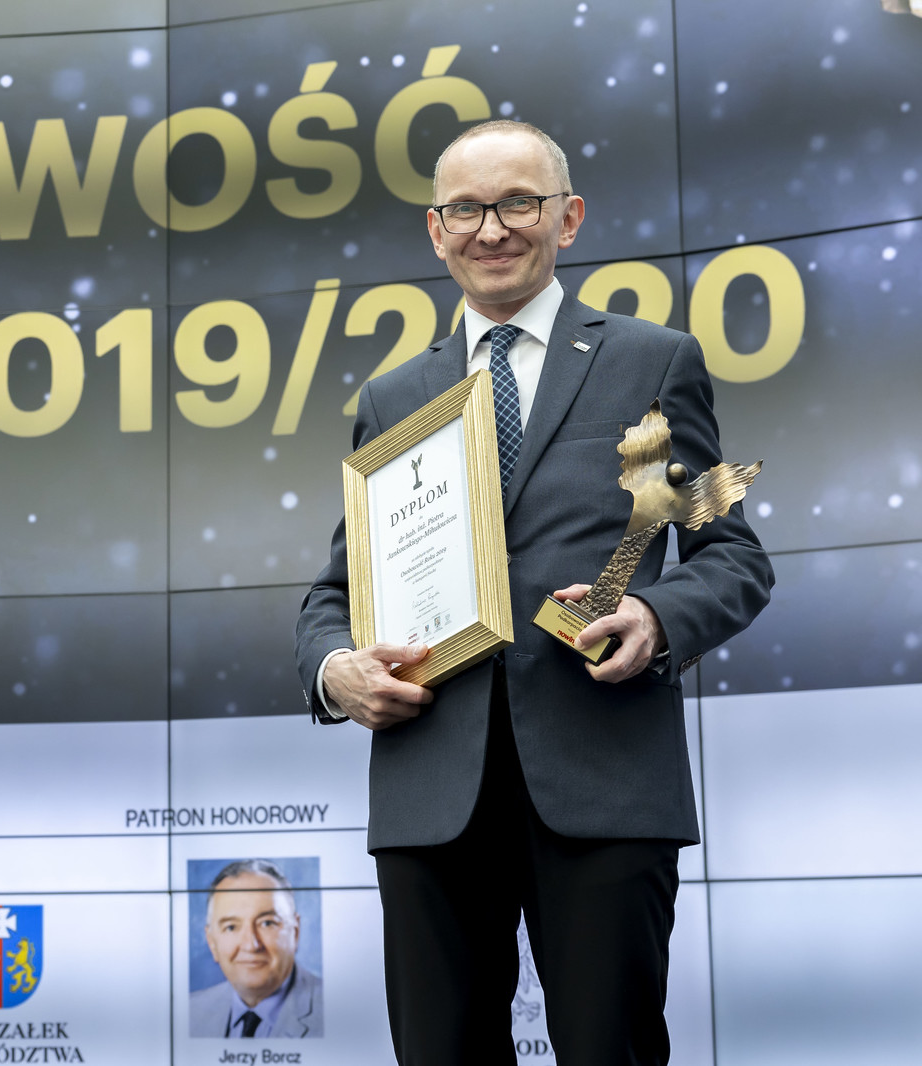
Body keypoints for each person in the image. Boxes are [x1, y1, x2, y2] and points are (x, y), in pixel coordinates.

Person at [295, 121, 772, 1065]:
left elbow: (733, 556)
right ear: (437, 230)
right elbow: (334, 594)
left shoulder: (654, 361)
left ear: (569, 217)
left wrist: (655, 614)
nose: (492, 229)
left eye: (518, 202)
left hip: (604, 779)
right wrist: (334, 672)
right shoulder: (393, 398)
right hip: (432, 793)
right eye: (466, 209)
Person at [187, 859, 323, 1038]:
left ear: (295, 932)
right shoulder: (190, 1012)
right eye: (231, 927)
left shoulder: (335, 1011)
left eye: (267, 923)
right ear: (212, 942)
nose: (251, 945)